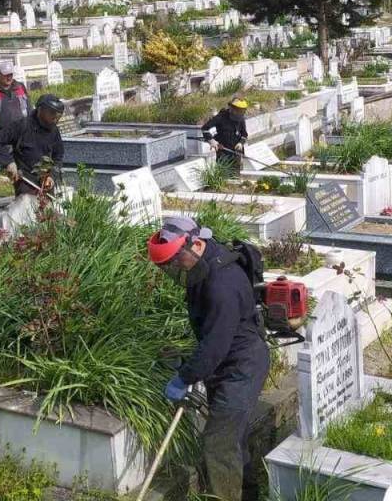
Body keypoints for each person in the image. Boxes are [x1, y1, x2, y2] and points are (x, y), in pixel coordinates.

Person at [147, 216, 268, 501]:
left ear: (196, 244)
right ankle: (248, 495)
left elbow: (215, 345)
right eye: (169, 266)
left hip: (241, 366)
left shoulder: (220, 285)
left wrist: (185, 376)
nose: (176, 269)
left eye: (177, 261)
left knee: (218, 443)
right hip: (229, 361)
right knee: (232, 437)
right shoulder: (206, 263)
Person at [0, 93, 66, 195]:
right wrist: (8, 162)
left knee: (48, 209)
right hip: (25, 181)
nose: (55, 118)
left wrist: (52, 176)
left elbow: (58, 157)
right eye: (51, 113)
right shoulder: (21, 126)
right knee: (28, 207)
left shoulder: (54, 131)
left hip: (45, 183)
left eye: (57, 115)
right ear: (40, 110)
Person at [201, 98, 249, 170]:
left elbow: (244, 135)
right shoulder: (221, 117)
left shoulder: (241, 119)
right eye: (238, 110)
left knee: (236, 176)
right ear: (231, 108)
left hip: (236, 153)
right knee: (223, 175)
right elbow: (204, 128)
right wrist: (211, 141)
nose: (239, 113)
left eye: (242, 111)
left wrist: (241, 143)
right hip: (223, 152)